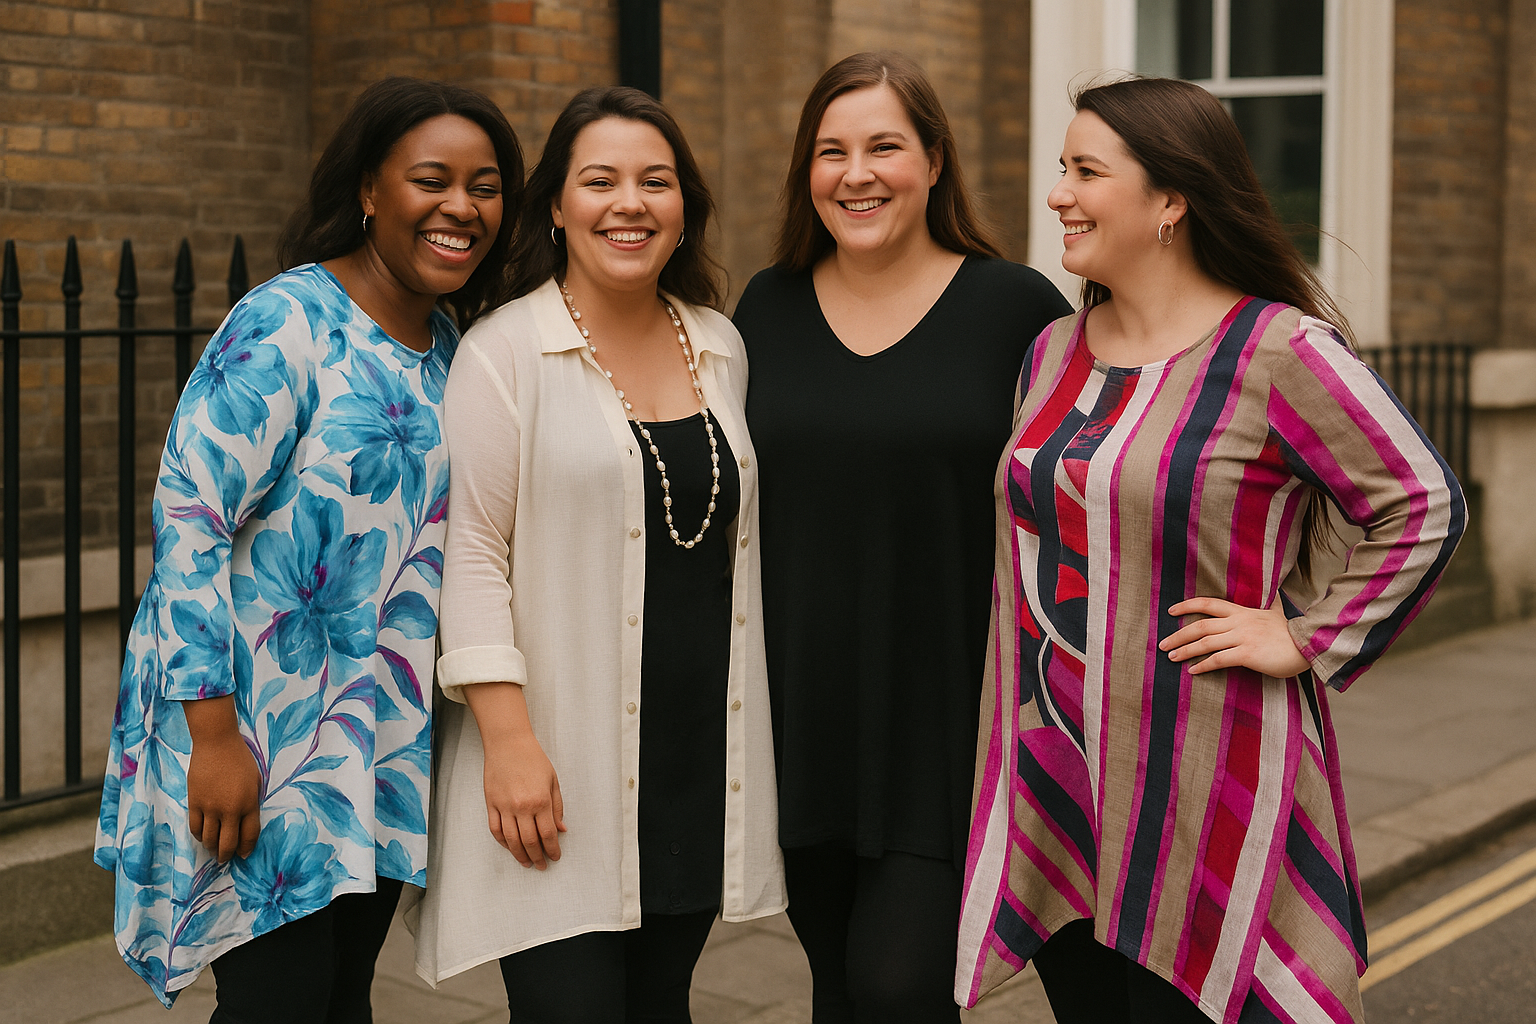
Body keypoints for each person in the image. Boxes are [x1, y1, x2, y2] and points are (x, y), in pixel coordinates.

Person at [955, 77, 1465, 1024]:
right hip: (1060, 786)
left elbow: (1423, 504)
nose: (1058, 193)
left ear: (1171, 200)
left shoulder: (1278, 353)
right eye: (1062, 169)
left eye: (1085, 171)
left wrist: (1305, 636)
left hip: (1209, 785)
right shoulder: (1052, 351)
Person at [92, 77, 521, 1020]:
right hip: (255, 733)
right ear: (371, 190)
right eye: (432, 180)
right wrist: (211, 735)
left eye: (485, 186)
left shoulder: (454, 347)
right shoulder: (288, 321)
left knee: (336, 996)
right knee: (275, 1001)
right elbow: (189, 521)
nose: (461, 206)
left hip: (371, 748)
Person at [406, 86, 784, 1024]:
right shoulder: (505, 354)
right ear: (557, 207)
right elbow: (472, 553)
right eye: (601, 179)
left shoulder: (721, 347)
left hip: (695, 758)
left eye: (655, 181)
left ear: (683, 207)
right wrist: (507, 741)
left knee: (662, 1002)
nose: (631, 202)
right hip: (558, 760)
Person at [731, 51, 1072, 1023]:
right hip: (801, 721)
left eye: (884, 145)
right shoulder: (766, 307)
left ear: (932, 160)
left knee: (899, 985)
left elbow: (1107, 477)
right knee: (837, 984)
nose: (857, 172)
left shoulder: (1017, 311)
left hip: (950, 720)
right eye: (831, 151)